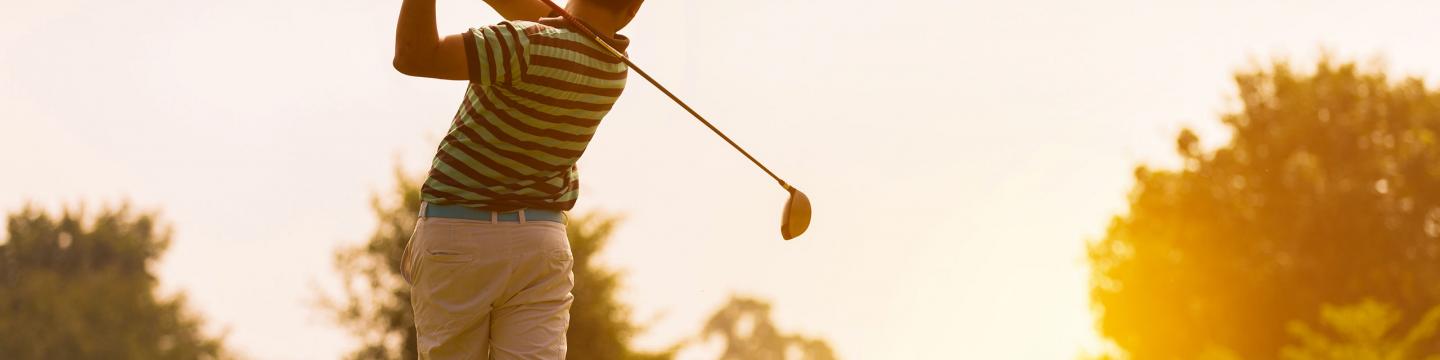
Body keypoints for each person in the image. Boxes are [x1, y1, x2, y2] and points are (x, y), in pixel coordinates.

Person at [391, 0, 643, 358]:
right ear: (632, 10)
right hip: (540, 243)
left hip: (457, 236)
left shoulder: (520, 43)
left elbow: (414, 55)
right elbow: (546, 24)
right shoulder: (614, 67)